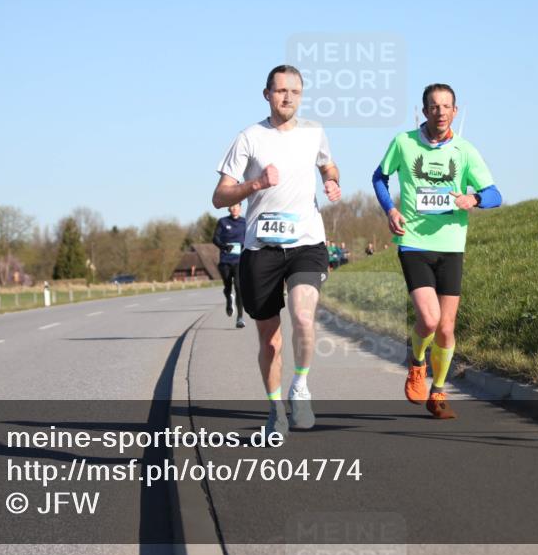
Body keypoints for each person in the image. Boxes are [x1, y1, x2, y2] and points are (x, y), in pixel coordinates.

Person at [213, 64, 341, 435]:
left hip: (306, 242)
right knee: (270, 340)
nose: (288, 98)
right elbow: (219, 196)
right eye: (281, 91)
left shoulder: (315, 132)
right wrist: (254, 184)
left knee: (303, 317)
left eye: (295, 92)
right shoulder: (249, 138)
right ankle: (275, 410)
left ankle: (299, 387)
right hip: (261, 248)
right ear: (267, 94)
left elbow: (329, 166)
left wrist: (332, 182)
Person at [372, 83, 502, 419]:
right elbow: (379, 177)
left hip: (452, 246)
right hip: (414, 241)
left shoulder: (465, 151)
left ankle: (439, 392)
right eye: (434, 106)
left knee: (446, 327)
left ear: (454, 112)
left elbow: (494, 194)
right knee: (428, 320)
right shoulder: (404, 143)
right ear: (424, 110)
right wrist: (390, 209)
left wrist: (473, 198)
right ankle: (417, 364)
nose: (440, 112)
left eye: (446, 106)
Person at [212, 203, 246, 328]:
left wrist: (245, 246)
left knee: (238, 287)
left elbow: (250, 238)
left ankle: (240, 317)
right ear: (228, 208)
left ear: (240, 208)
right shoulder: (222, 222)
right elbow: (215, 238)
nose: (234, 209)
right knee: (228, 286)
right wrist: (224, 246)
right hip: (225, 260)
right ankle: (228, 299)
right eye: (232, 206)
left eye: (236, 206)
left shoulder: (245, 222)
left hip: (239, 260)